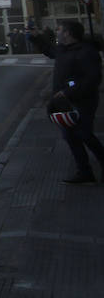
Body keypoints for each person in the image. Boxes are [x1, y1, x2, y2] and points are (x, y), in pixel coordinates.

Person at [35, 19, 104, 184]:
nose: (57, 31)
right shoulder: (63, 49)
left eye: (59, 29)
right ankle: (84, 172)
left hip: (82, 101)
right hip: (63, 102)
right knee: (70, 137)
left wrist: (67, 91)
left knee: (85, 134)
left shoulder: (86, 52)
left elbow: (92, 79)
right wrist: (36, 37)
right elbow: (49, 50)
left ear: (67, 33)